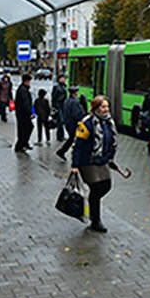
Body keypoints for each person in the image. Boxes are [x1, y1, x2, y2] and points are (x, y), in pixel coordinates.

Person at [70, 96, 118, 232]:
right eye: (103, 107)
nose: (106, 110)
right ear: (96, 108)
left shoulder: (109, 122)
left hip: (102, 160)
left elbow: (111, 141)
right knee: (96, 188)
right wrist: (75, 165)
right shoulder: (87, 123)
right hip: (88, 161)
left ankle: (92, 206)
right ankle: (95, 220)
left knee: (106, 186)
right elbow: (77, 145)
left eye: (107, 107)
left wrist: (110, 157)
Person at [57, 86, 86, 161]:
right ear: (75, 93)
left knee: (72, 138)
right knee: (76, 139)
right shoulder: (74, 102)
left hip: (68, 123)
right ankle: (73, 154)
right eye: (76, 92)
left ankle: (62, 151)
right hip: (73, 124)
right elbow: (77, 114)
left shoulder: (67, 100)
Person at [14, 74, 34, 152]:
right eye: (29, 81)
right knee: (25, 128)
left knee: (25, 128)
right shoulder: (23, 90)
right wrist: (30, 113)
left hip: (21, 112)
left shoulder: (23, 89)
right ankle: (21, 145)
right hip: (23, 113)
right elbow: (25, 103)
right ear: (26, 81)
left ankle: (23, 144)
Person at [51, 75, 68, 141]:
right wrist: (54, 106)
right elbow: (54, 97)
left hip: (62, 106)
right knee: (60, 121)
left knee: (62, 121)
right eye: (63, 78)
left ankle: (61, 135)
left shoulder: (64, 86)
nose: (64, 79)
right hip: (59, 106)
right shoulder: (56, 87)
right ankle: (60, 136)